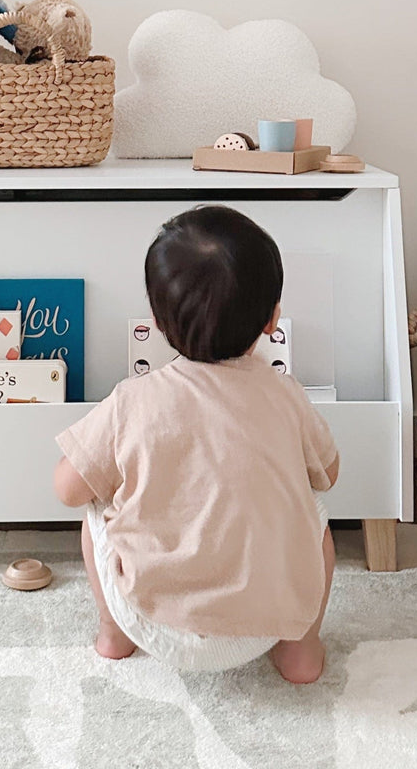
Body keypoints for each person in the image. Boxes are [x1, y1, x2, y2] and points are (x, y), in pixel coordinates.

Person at [53, 205, 338, 682]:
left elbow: (66, 488)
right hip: (265, 623)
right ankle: (299, 649)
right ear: (273, 319)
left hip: (150, 619)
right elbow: (328, 475)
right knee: (316, 514)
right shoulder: (286, 395)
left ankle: (113, 633)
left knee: (95, 506)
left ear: (156, 321)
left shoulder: (131, 400)